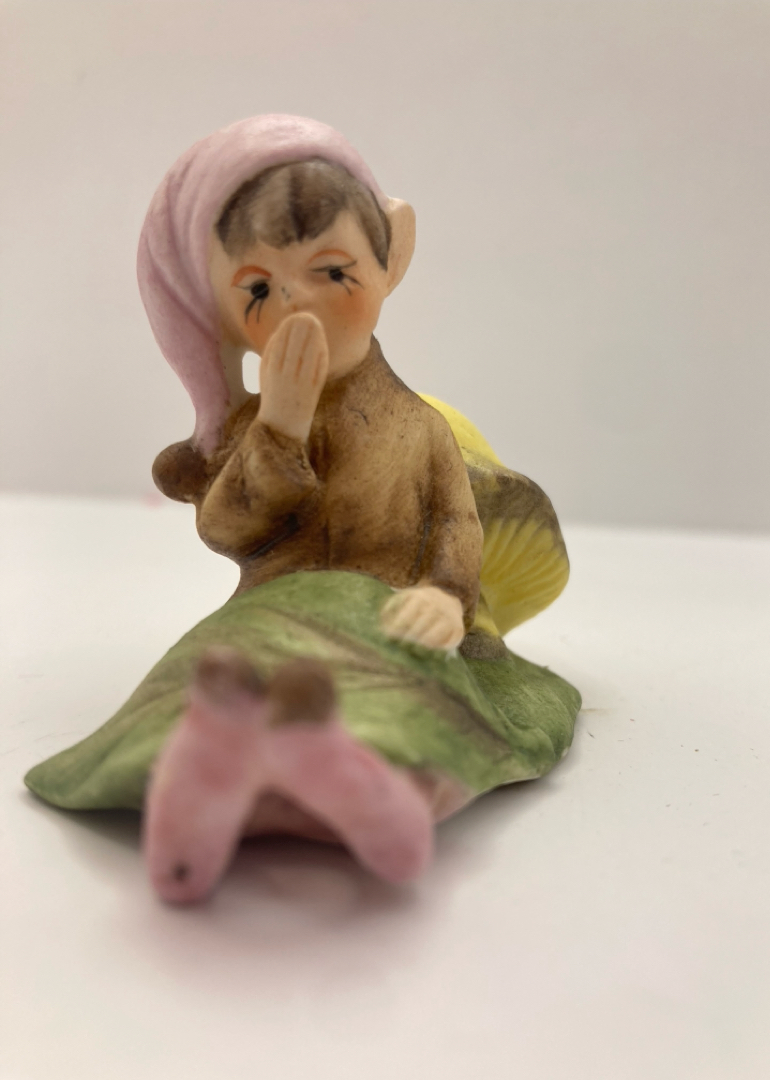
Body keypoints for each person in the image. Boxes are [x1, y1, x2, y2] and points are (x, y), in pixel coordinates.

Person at [25, 115, 581, 904]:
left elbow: (458, 522)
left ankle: (355, 783)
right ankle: (208, 770)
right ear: (222, 314)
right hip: (272, 613)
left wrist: (445, 596)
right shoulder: (255, 427)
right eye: (259, 290)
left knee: (414, 704)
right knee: (208, 680)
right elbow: (225, 528)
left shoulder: (421, 427)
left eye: (333, 271)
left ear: (392, 258)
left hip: (388, 617)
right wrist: (278, 428)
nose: (299, 305)